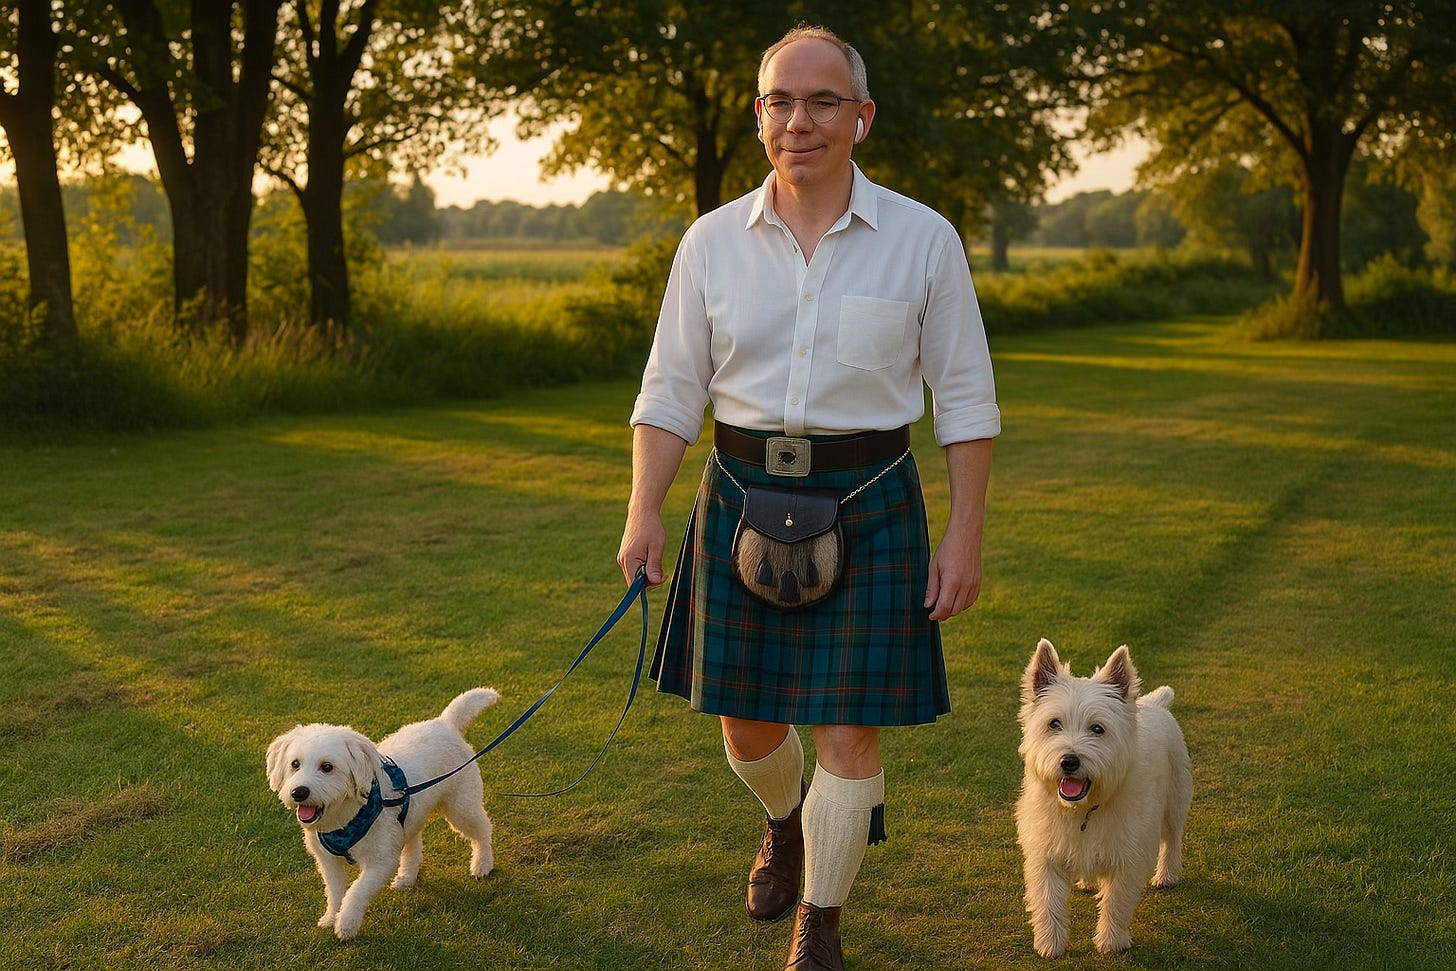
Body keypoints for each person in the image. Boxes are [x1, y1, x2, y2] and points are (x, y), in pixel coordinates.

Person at [617, 24, 999, 971]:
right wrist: (643, 508)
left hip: (872, 498)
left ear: (861, 116)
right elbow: (670, 391)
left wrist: (964, 535)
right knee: (746, 725)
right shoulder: (711, 242)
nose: (801, 120)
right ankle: (786, 820)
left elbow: (965, 399)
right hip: (739, 491)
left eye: (824, 101)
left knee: (847, 727)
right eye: (782, 101)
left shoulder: (923, 239)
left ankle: (819, 924)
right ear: (759, 117)